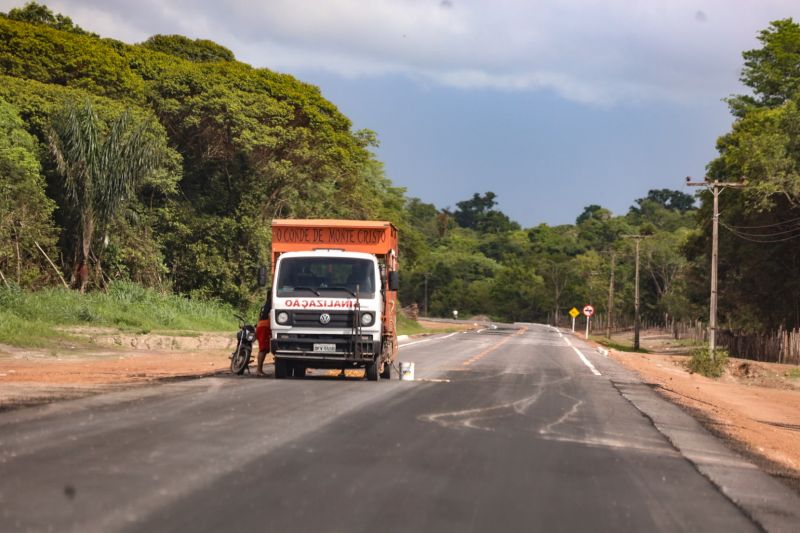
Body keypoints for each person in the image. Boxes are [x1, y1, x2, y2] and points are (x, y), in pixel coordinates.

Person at [255, 291, 272, 376]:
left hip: (261, 326)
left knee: (265, 349)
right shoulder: (271, 303)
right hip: (265, 327)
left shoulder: (265, 304)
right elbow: (269, 315)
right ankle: (259, 370)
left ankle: (260, 370)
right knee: (263, 349)